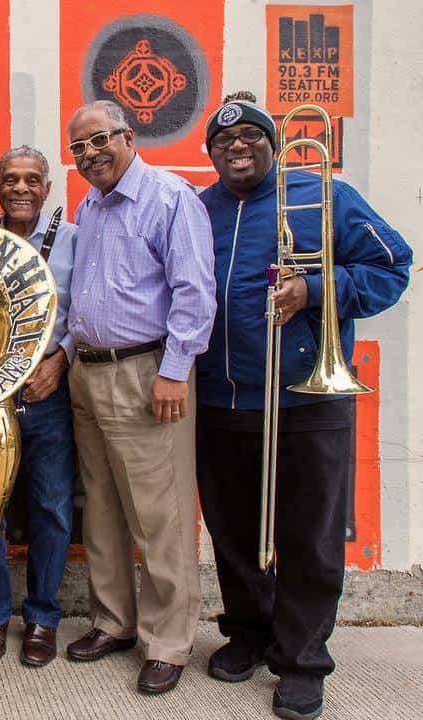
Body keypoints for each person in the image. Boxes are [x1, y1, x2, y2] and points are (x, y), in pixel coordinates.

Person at [197, 92, 412, 720]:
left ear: (271, 142)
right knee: (233, 530)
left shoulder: (327, 194)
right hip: (221, 397)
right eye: (223, 142)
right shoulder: (199, 209)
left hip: (307, 398)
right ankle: (249, 634)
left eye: (251, 137)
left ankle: (302, 661)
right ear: (210, 154)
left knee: (310, 536)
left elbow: (393, 266)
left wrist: (316, 288)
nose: (238, 147)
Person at [61, 100, 216, 695]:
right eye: (78, 148)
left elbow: (194, 292)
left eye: (98, 140)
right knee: (100, 507)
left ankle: (168, 640)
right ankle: (114, 621)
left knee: (161, 515)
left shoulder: (171, 198)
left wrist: (175, 371)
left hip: (148, 373)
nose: (89, 155)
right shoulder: (89, 206)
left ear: (127, 136)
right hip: (90, 372)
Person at [0, 146, 77, 668]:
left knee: (52, 509)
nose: (20, 188)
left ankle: (42, 618)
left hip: (47, 394)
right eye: (10, 179)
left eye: (31, 180)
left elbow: (84, 310)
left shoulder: (73, 240)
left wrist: (60, 360)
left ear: (47, 188)